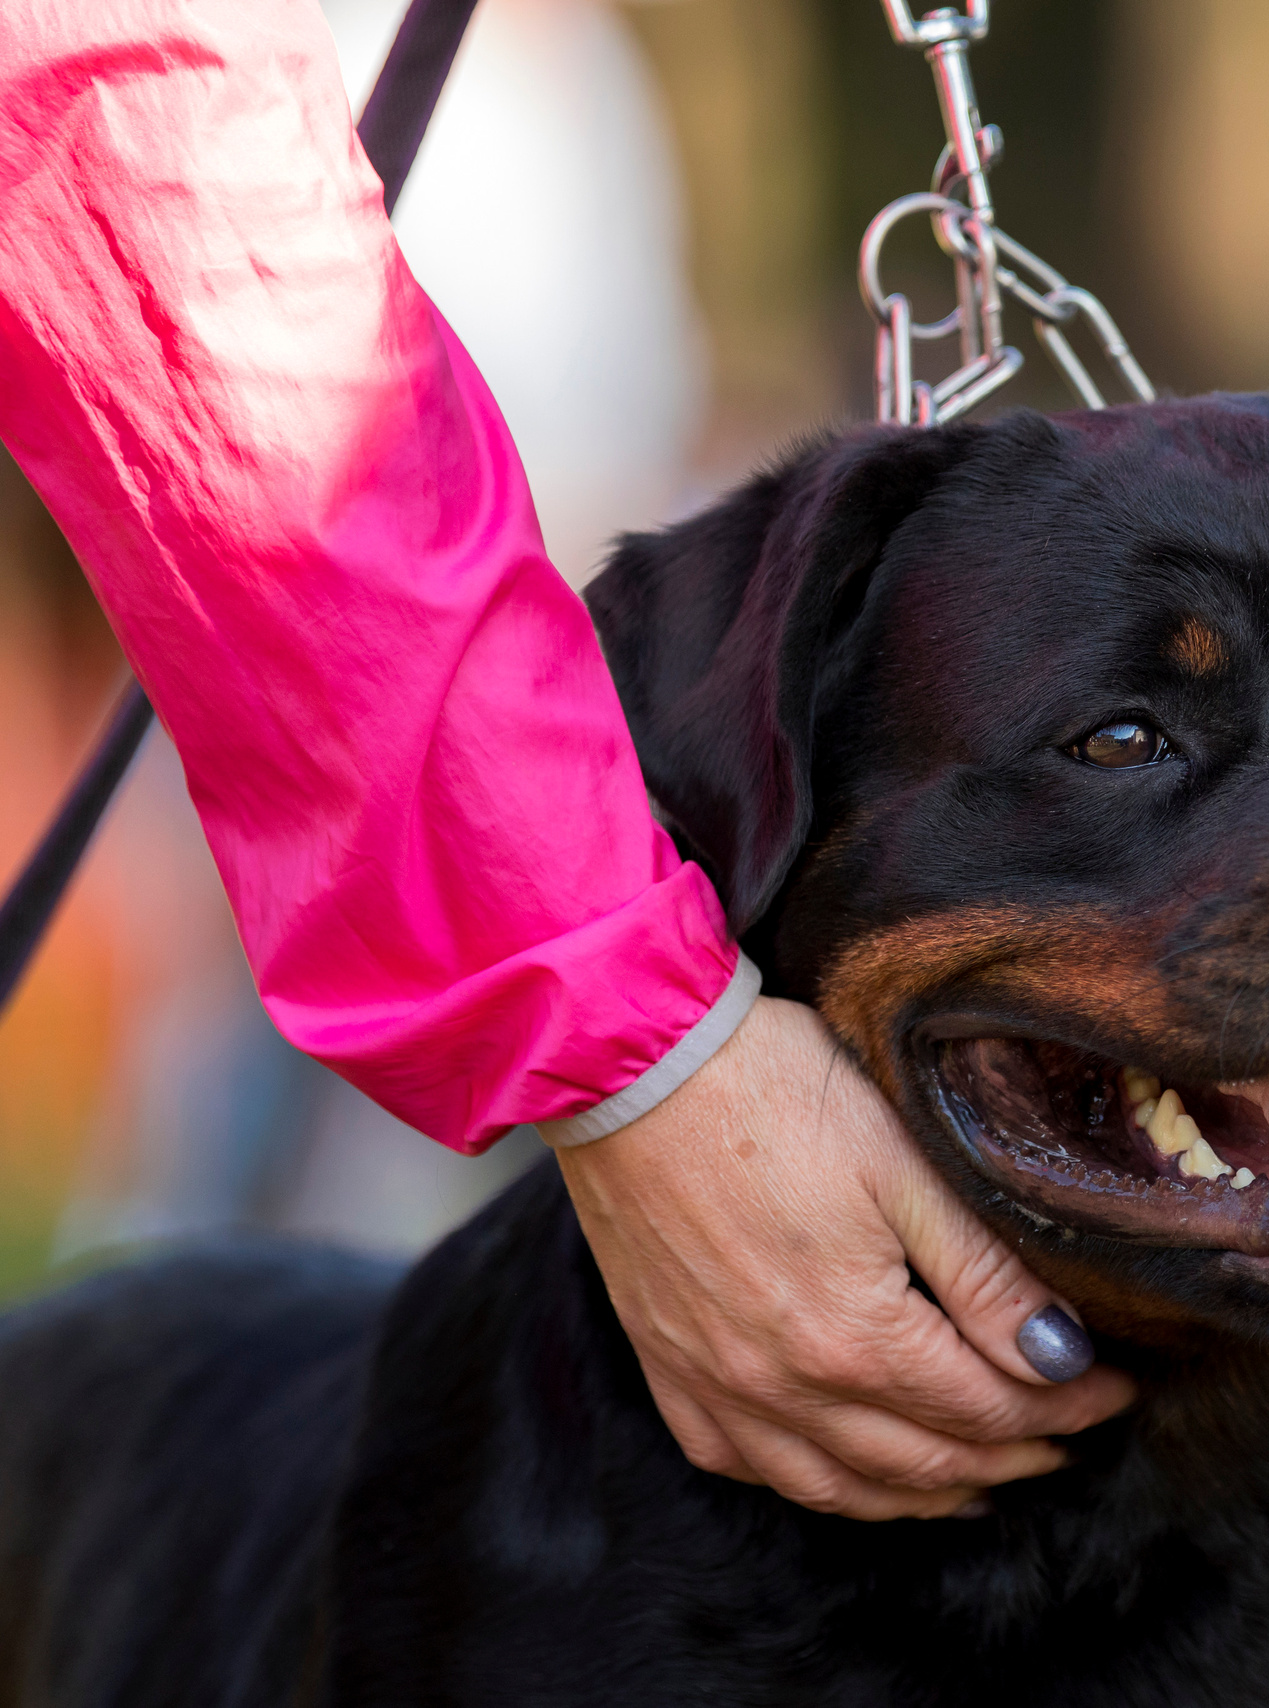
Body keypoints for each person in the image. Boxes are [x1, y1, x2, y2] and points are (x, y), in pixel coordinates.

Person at [0, 0, 1133, 1520]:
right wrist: (624, 1029)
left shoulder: (572, 70)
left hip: (478, 700)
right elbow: (160, 203)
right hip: (382, 695)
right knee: (249, 1085)